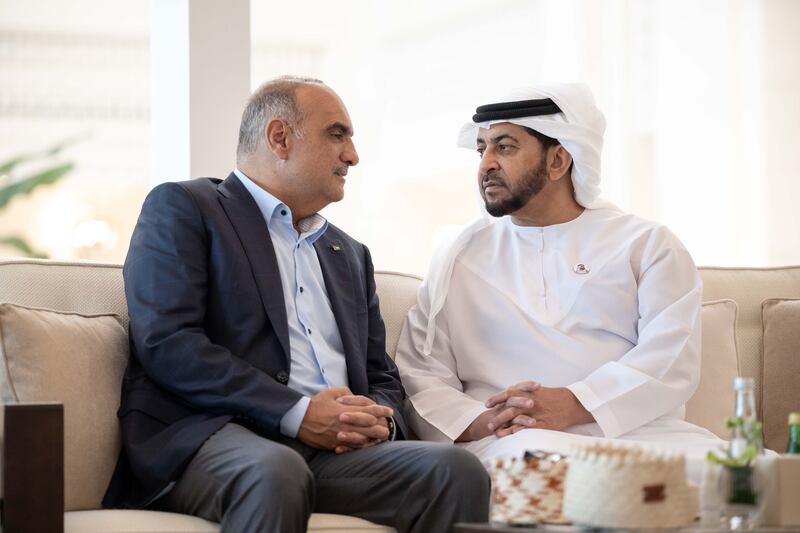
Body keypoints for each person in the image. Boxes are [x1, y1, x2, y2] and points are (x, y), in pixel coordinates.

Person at [102, 76, 490, 533]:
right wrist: (297, 413)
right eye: (337, 134)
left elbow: (379, 371)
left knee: (455, 470)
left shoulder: (349, 253)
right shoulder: (187, 207)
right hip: (215, 438)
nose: (353, 155)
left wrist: (374, 421)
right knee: (274, 471)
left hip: (333, 454)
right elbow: (168, 342)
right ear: (280, 138)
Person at [394, 83, 724, 481]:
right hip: (510, 442)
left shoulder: (646, 244)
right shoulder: (457, 255)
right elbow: (421, 370)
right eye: (482, 149)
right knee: (545, 474)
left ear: (559, 160)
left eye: (505, 147)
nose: (486, 165)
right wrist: (483, 422)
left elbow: (670, 360)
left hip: (640, 434)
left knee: (748, 477)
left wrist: (574, 403)